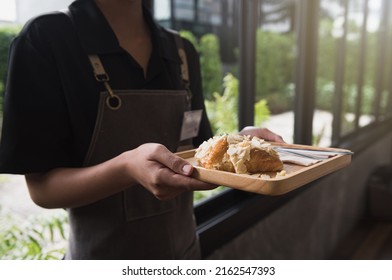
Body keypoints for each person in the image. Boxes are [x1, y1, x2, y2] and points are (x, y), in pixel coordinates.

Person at [0, 0, 284, 259]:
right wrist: (126, 168)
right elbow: (42, 190)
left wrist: (239, 145)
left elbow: (196, 156)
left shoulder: (182, 53)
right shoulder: (46, 39)